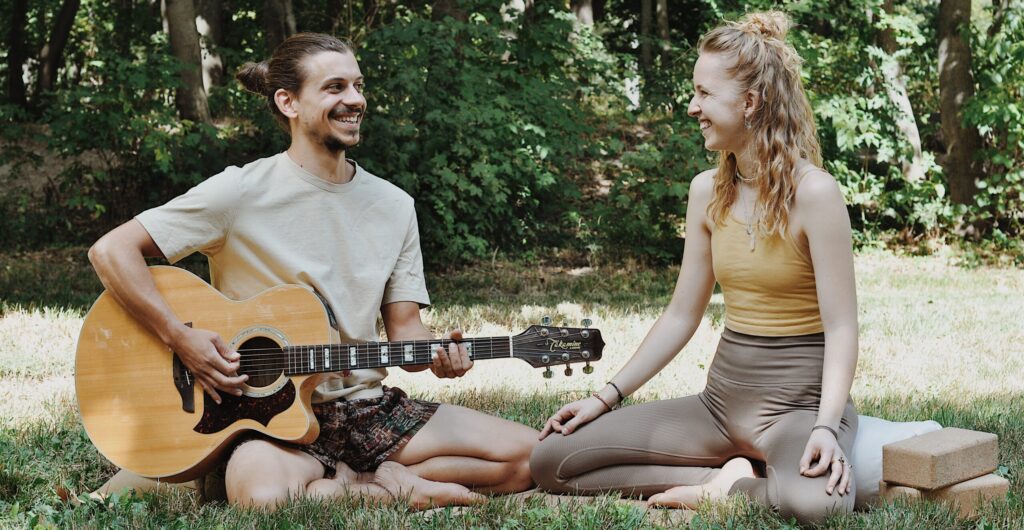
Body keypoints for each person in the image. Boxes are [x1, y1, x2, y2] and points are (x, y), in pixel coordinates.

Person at [87, 33, 537, 509]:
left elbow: (406, 330)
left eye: (358, 86)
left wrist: (439, 356)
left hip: (366, 410)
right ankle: (384, 487)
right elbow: (111, 252)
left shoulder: (394, 206)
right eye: (335, 87)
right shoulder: (239, 192)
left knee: (530, 460)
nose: (355, 100)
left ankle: (364, 479)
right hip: (267, 417)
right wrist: (182, 339)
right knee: (263, 498)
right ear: (288, 102)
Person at [530, 11, 859, 524]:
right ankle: (717, 480)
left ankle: (740, 488)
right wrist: (605, 396)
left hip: (796, 410)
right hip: (720, 404)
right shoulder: (707, 191)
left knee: (817, 504)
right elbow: (683, 314)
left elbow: (841, 327)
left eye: (704, 94)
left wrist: (824, 427)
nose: (693, 107)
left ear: (750, 103)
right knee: (552, 461)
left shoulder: (815, 193)